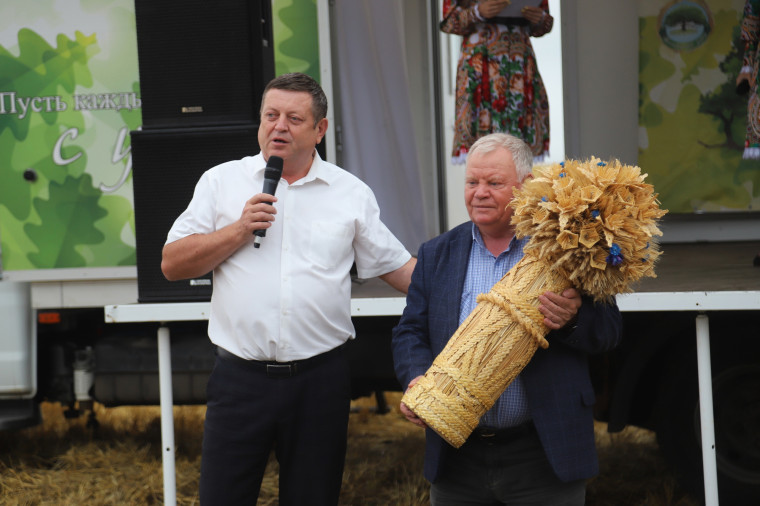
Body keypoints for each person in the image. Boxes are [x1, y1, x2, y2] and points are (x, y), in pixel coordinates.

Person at [161, 72, 416, 505]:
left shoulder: (349, 192)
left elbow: (398, 268)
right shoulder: (221, 181)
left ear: (320, 129)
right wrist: (239, 229)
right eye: (271, 115)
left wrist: (475, 293)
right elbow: (172, 263)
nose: (278, 126)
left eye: (293, 118)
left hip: (320, 382)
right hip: (240, 380)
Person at [391, 132, 623, 505]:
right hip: (457, 458)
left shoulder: (565, 248)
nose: (479, 193)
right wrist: (417, 378)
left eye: (494, 183)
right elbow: (410, 331)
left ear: (526, 186)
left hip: (544, 453)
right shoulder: (436, 254)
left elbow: (609, 332)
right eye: (472, 182)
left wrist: (573, 319)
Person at [442, 0, 553, 164]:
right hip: (481, 60)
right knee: (483, 151)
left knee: (519, 152)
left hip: (518, 59)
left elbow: (545, 24)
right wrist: (478, 11)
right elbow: (448, 22)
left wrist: (539, 18)